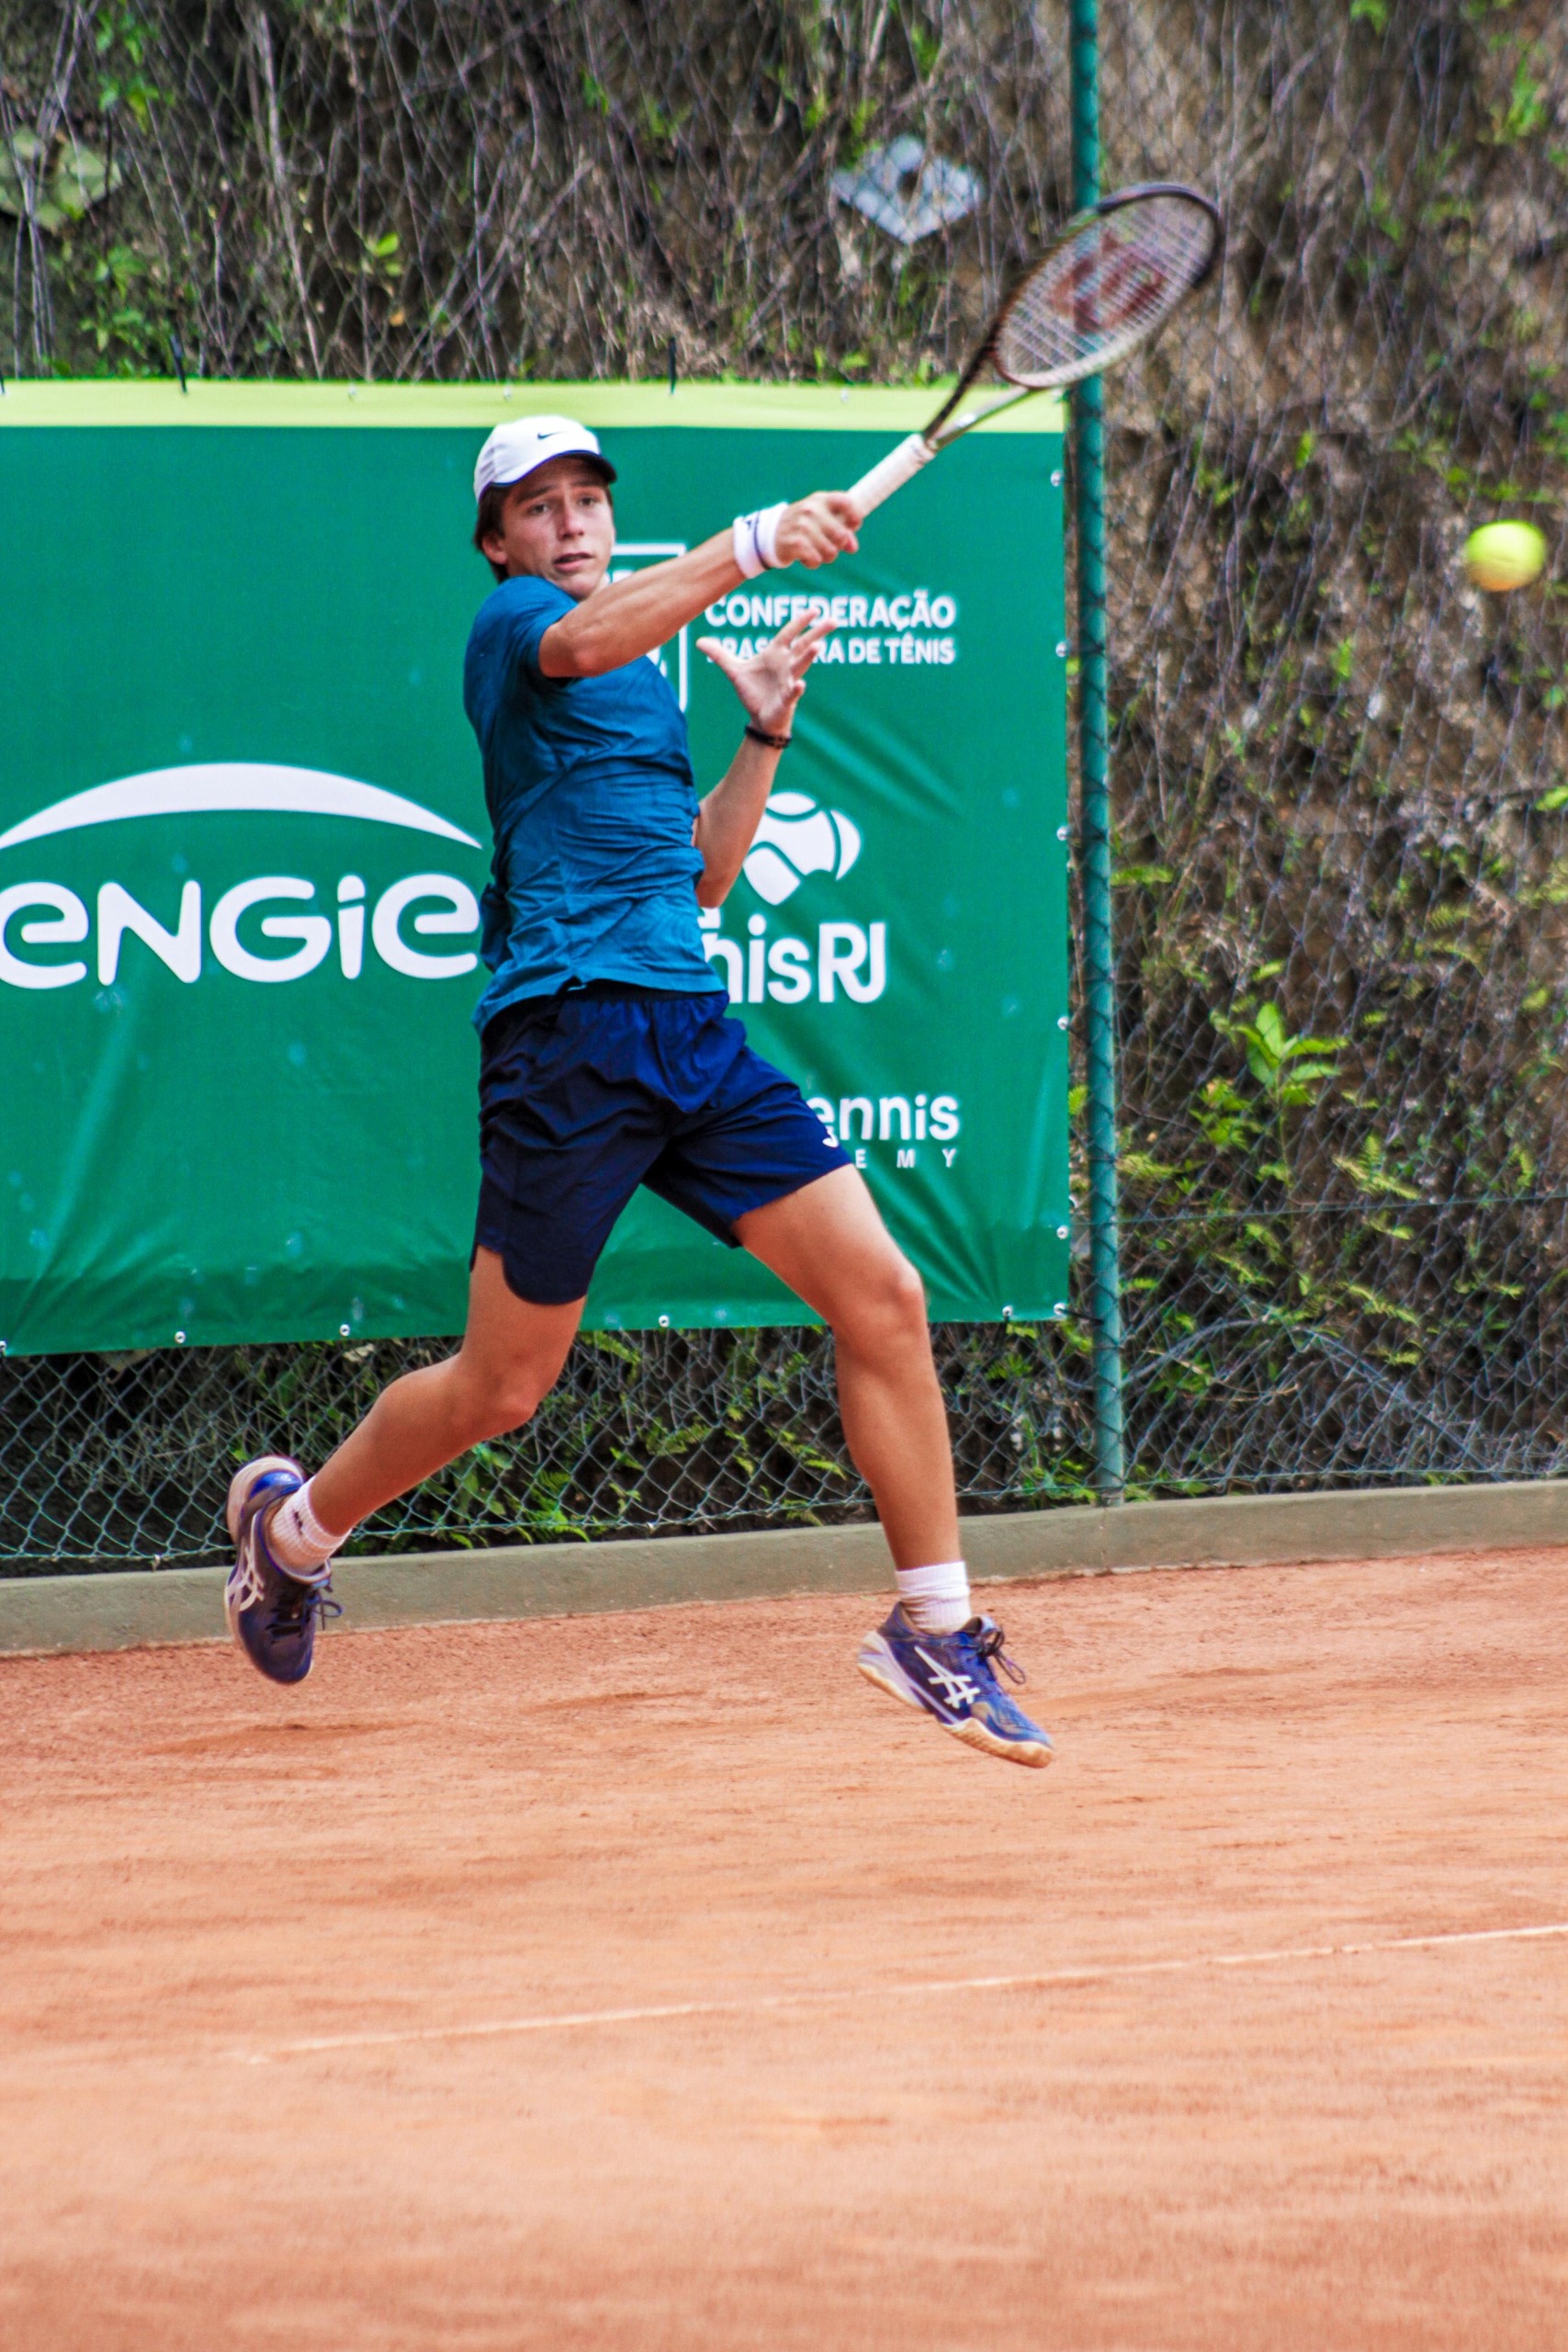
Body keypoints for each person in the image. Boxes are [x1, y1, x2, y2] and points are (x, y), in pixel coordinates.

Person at [223, 414, 1052, 1769]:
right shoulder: (517, 634)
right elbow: (588, 637)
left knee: (886, 1297)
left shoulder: (650, 682)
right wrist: (754, 542)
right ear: (498, 543)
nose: (570, 523)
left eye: (586, 500)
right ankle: (295, 1533)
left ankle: (935, 1629)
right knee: (503, 1386)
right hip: (567, 1044)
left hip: (691, 1034)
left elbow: (706, 874)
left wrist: (763, 733)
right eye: (537, 508)